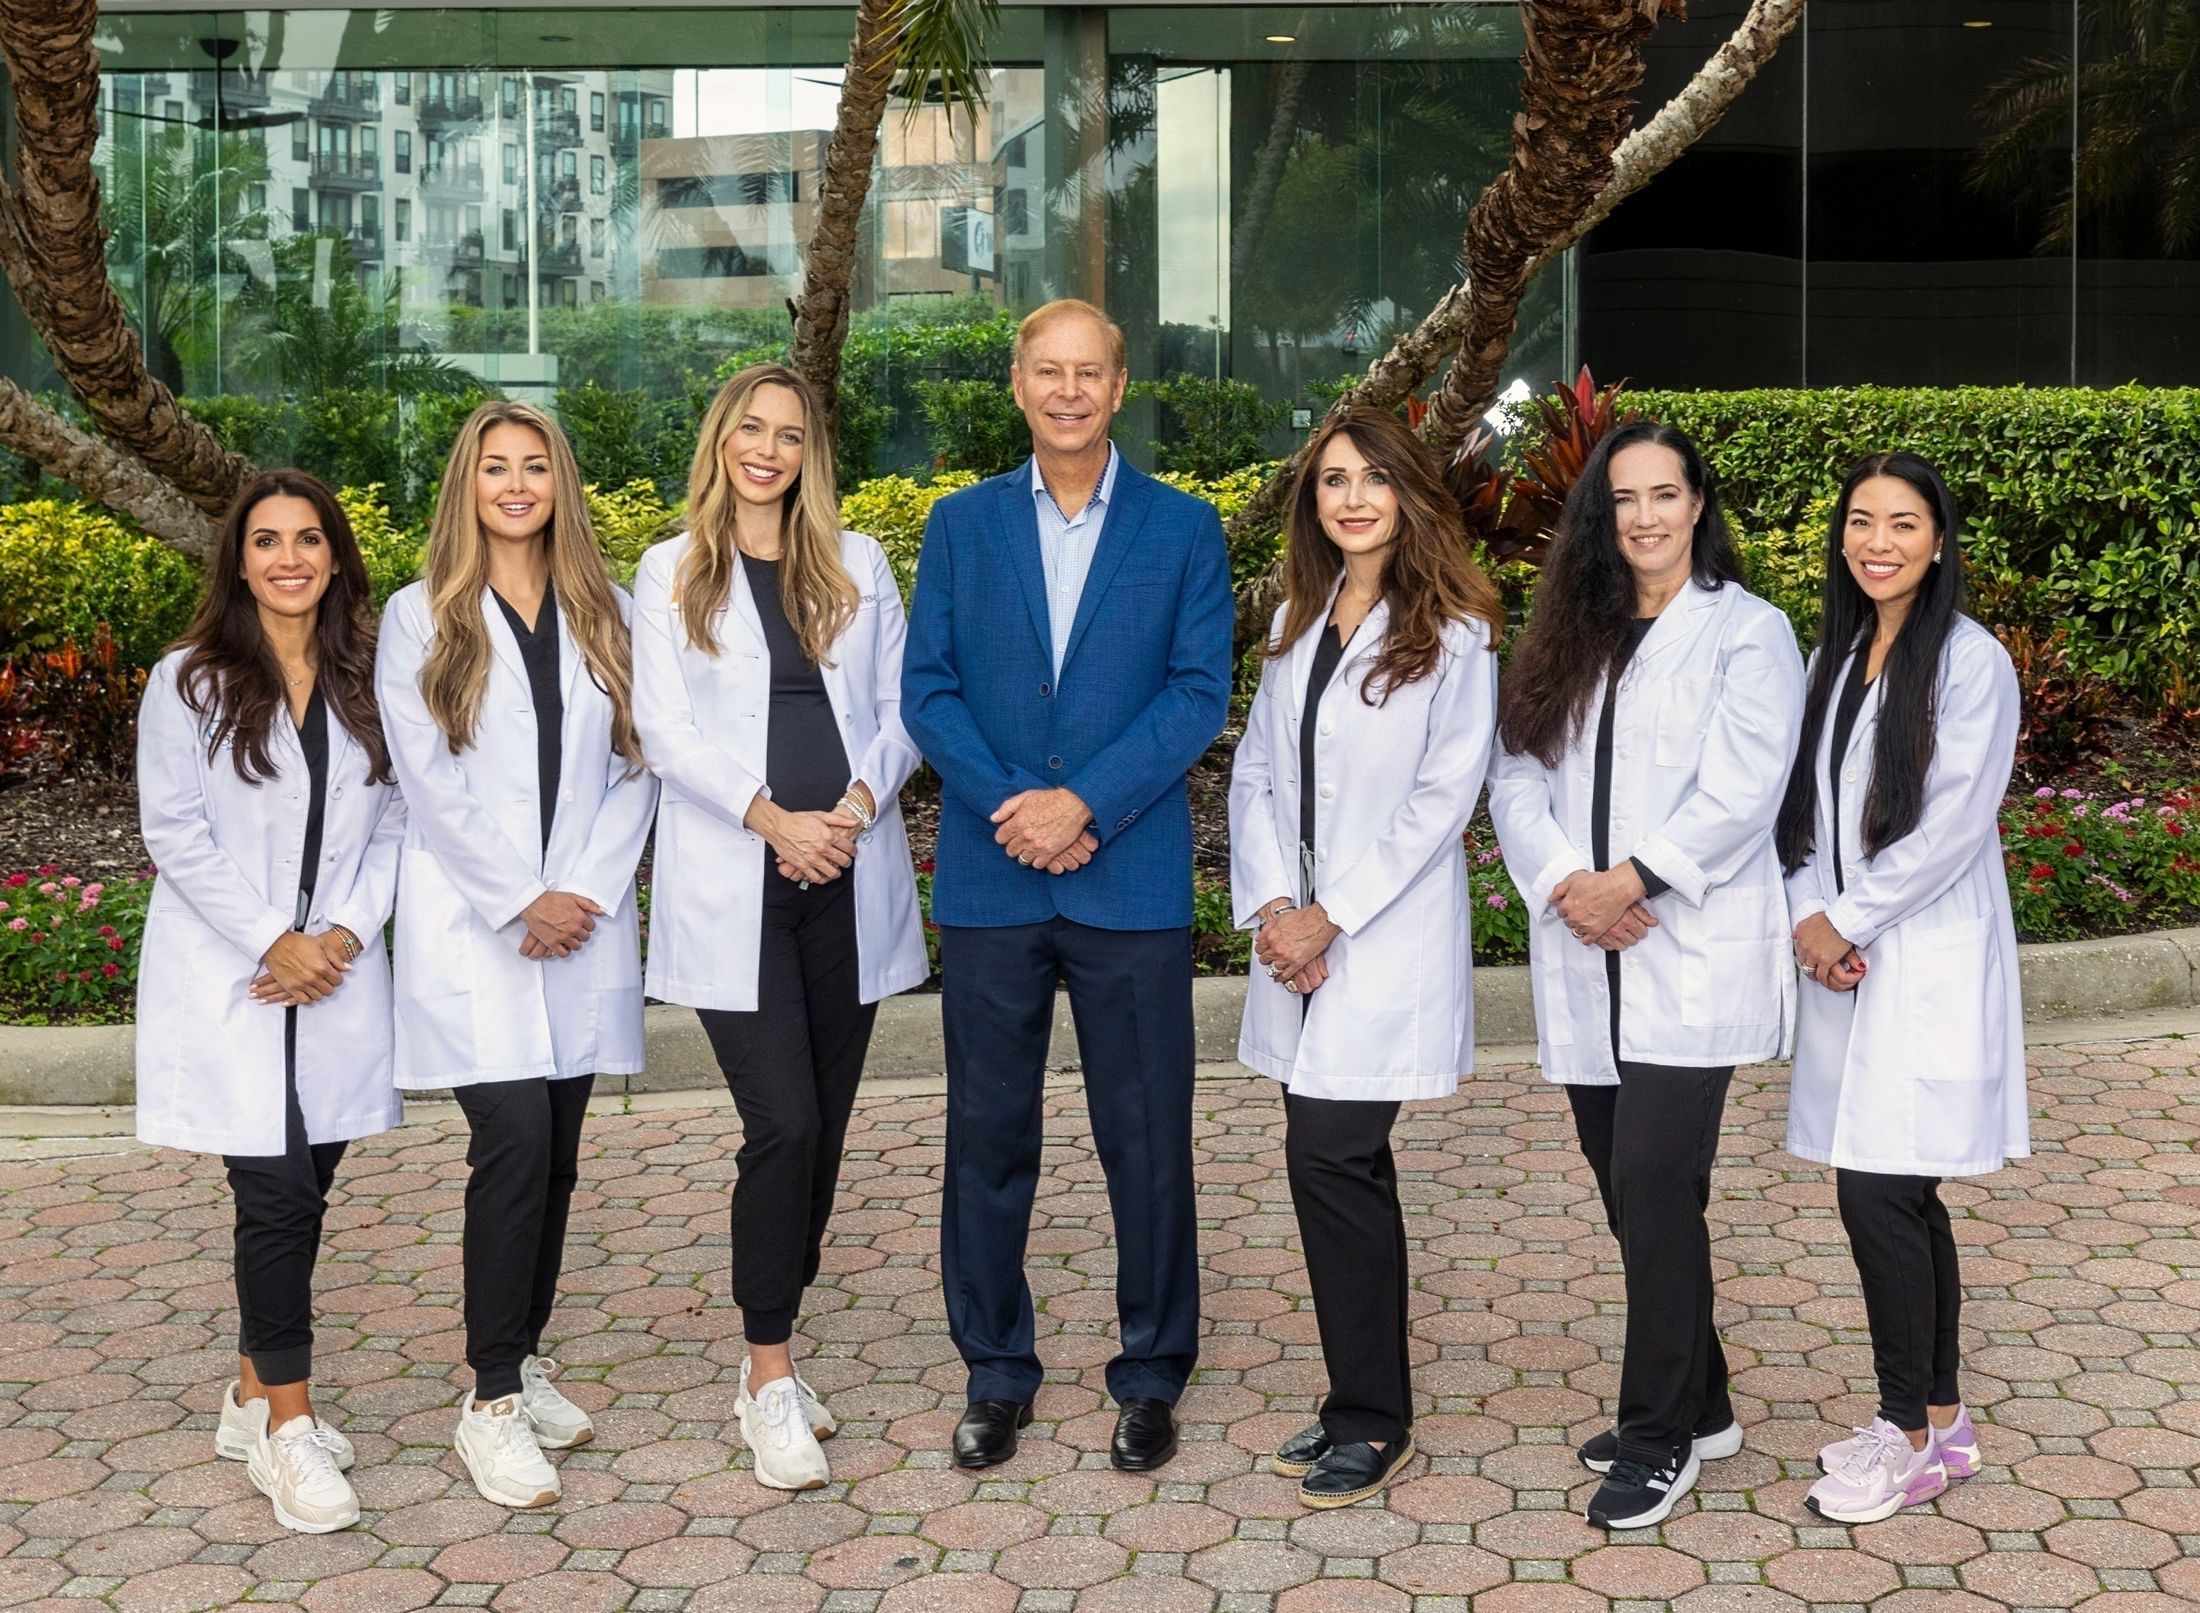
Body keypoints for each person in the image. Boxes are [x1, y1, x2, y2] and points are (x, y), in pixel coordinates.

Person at [901, 298, 1235, 1472]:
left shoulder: (1185, 528)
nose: (1068, 389)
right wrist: (1017, 807)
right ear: (1016, 384)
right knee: (988, 1137)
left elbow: (1196, 691)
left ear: (1120, 382)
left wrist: (1083, 802)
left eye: (1089, 371)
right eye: (1048, 370)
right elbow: (929, 692)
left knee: (1144, 1140)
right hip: (995, 885)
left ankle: (1150, 1374)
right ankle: (996, 1370)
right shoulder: (958, 525)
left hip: (1126, 877)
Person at [1489, 420, 1803, 1530]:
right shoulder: (1567, 631)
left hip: (1687, 948)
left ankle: (1658, 1434)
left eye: (1664, 494)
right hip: (1586, 942)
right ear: (1598, 517)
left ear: (1697, 504)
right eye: (1622, 499)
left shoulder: (1747, 633)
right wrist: (1569, 880)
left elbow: (1743, 787)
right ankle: (1704, 1398)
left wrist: (1636, 881)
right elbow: (1515, 772)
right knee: (1629, 1188)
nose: (1644, 517)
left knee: (1659, 1184)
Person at [632, 364, 926, 1491]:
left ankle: (774, 1346)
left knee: (829, 1132)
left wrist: (847, 812)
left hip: (846, 873)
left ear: (811, 454)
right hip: (736, 876)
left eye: (789, 434)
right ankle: (766, 1372)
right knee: (784, 1125)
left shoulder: (857, 563)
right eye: (750, 430)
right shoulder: (669, 570)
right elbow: (663, 728)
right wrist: (772, 821)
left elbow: (905, 712)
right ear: (720, 441)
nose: (767, 449)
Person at [375, 401, 657, 1509]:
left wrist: (579, 890)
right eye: (495, 467)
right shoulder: (419, 616)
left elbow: (641, 764)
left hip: (578, 925)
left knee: (558, 1153)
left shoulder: (610, 610)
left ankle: (525, 1358)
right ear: (468, 485)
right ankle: (489, 1398)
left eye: (534, 465)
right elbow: (426, 780)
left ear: (559, 485)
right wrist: (521, 898)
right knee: (514, 1140)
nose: (515, 483)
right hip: (477, 927)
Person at [1228, 408, 1501, 1507]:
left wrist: (1329, 912)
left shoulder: (1458, 628)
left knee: (1329, 1156)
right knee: (1344, 1163)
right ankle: (1361, 1396)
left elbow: (1445, 797)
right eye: (1333, 479)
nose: (1351, 497)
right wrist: (1274, 904)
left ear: (1408, 493)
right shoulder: (1299, 613)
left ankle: (1372, 1415)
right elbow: (1253, 769)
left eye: (1373, 478)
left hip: (1375, 938)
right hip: (1299, 938)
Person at [136, 470, 404, 1535]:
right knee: (278, 1195)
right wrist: (276, 940)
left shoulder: (371, 677)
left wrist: (336, 935)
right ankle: (290, 1430)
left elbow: (397, 826)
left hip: (333, 975)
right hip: (239, 975)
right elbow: (175, 831)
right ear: (238, 560)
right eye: (266, 541)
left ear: (336, 556)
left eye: (307, 539)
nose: (288, 558)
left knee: (311, 1179)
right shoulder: (189, 680)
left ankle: (250, 1392)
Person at [1780, 453, 2023, 1524]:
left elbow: (1953, 822)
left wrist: (1847, 916)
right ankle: (1943, 1417)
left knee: (1875, 1189)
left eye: (1905, 524)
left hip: (1920, 956)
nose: (1878, 541)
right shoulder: (1832, 657)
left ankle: (1909, 1438)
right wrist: (1807, 917)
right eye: (1862, 521)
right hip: (1848, 957)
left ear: (1939, 539)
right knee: (1903, 1192)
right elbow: (1796, 812)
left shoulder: (1971, 662)